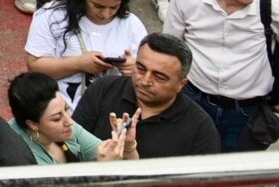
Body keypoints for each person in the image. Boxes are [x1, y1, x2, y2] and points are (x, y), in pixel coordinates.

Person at [158, 0, 279, 148]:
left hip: (245, 113)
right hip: (193, 101)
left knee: (234, 176)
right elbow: (169, 48)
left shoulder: (273, 5)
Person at [70, 32, 224, 158]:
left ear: (181, 84)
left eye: (159, 77)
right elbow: (70, 146)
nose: (145, 81)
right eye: (141, 68)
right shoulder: (104, 89)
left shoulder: (200, 129)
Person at [24, 0, 148, 104]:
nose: (105, 14)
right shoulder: (52, 16)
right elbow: (35, 67)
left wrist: (135, 69)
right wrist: (78, 63)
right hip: (57, 105)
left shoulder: (132, 24)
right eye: (98, 6)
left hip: (109, 108)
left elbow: (150, 74)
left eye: (114, 7)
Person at [7, 69, 137, 163]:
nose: (69, 121)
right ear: (33, 124)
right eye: (57, 118)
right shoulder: (21, 158)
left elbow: (131, 177)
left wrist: (127, 146)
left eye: (66, 109)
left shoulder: (66, 127)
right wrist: (102, 170)